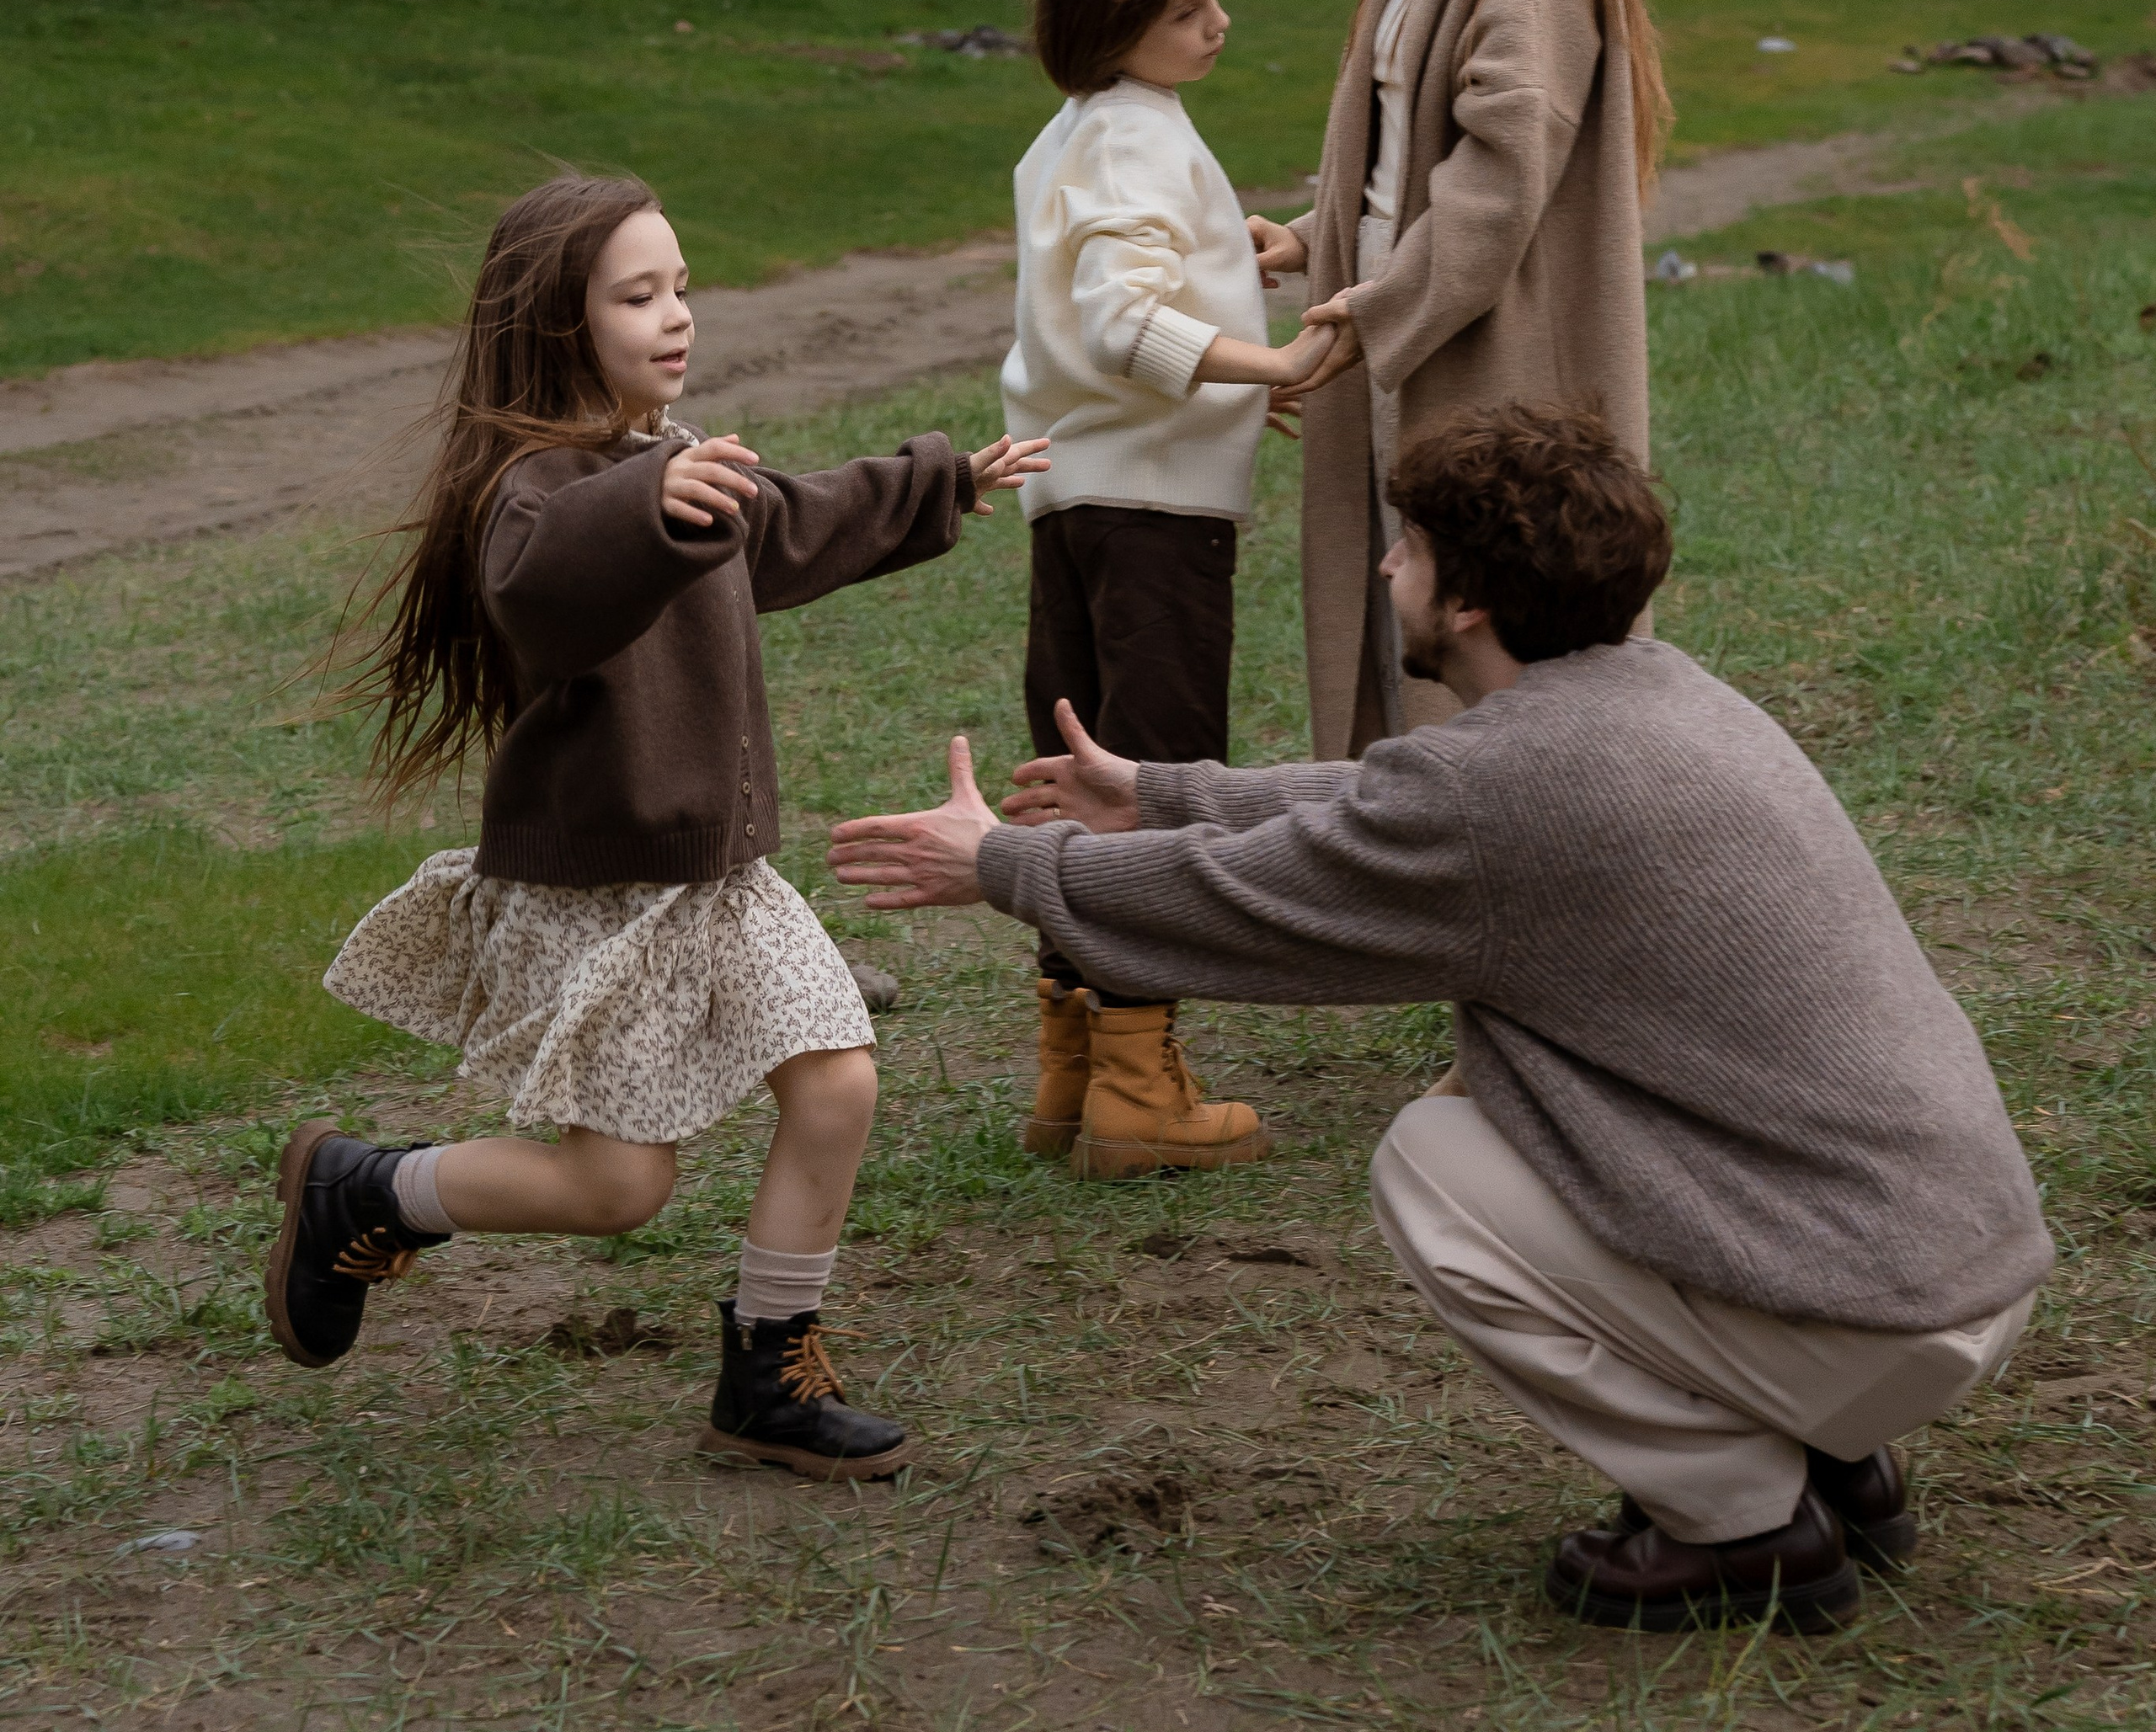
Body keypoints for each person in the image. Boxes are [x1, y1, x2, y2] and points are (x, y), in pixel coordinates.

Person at [827, 402, 2052, 1633]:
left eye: (1407, 546)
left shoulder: (1501, 788)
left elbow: (1249, 905)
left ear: (1466, 602)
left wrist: (999, 866)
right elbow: (1385, 800)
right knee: (1503, 1113)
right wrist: (1155, 795)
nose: (1385, 565)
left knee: (1436, 1166)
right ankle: (1839, 1458)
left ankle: (1744, 1523)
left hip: (1870, 1301)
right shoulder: (1656, 693)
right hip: (1947, 1266)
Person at [261, 171, 1047, 1484]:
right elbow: (545, 590)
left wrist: (939, 483)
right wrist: (650, 504)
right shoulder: (535, 489)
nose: (676, 315)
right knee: (617, 1190)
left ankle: (766, 1368)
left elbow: (783, 523)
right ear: (558, 324)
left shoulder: (664, 458)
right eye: (638, 296)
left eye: (681, 286)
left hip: (724, 876)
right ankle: (366, 1187)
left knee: (839, 1081)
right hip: (608, 890)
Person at [1249, 0, 1669, 759]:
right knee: (1414, 635)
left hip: (1479, 351)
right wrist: (1312, 235)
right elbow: (1410, 151)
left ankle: (1480, 902)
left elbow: (1499, 173)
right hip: (1415, 331)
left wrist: (1371, 305)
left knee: (1479, 651)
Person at [1001, 0, 1339, 1176]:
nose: (1221, 25)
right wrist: (1284, 366)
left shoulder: (1071, 134)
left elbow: (1093, 333)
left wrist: (1240, 385)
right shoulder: (1142, 133)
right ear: (1118, 19)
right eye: (1190, 7)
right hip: (1156, 523)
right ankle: (1139, 1085)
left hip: (1076, 503)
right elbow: (1127, 325)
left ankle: (1071, 1062)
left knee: (1075, 779)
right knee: (1150, 782)